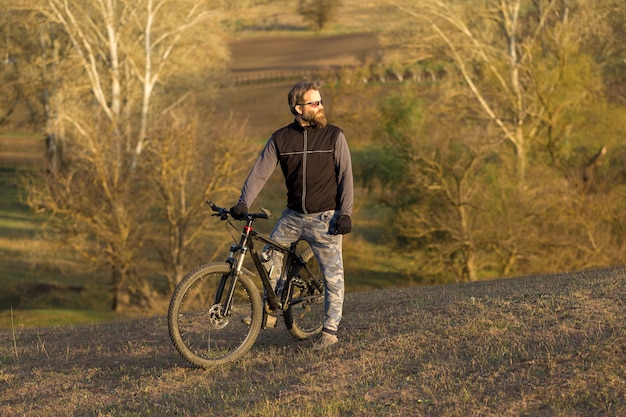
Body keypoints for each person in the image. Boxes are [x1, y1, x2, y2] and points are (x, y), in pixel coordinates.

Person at [230, 79, 354, 350]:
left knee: (333, 276)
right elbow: (260, 173)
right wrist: (242, 202)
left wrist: (345, 214)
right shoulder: (281, 139)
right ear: (299, 108)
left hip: (326, 219)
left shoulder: (334, 135)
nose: (321, 107)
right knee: (269, 259)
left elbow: (345, 176)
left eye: (321, 101)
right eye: (314, 103)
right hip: (292, 216)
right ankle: (271, 310)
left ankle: (330, 331)